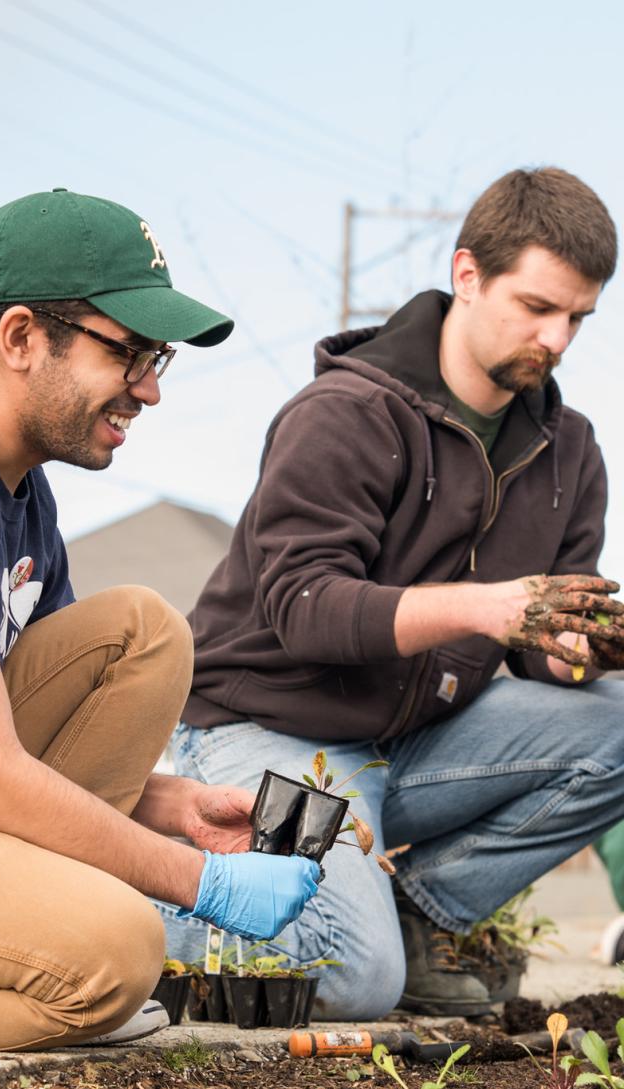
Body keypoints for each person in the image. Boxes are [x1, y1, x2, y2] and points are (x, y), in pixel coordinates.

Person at [160, 167, 624, 1020]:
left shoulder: (571, 452)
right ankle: (114, 892)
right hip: (268, 738)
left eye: (578, 318)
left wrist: (581, 647)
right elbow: (305, 609)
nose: (557, 339)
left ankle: (420, 913)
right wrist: (489, 605)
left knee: (621, 713)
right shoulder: (345, 412)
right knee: (357, 980)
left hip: (409, 743)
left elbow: (539, 653)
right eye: (536, 307)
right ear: (468, 276)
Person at [0, 188, 319, 1052]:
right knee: (114, 951)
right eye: (126, 351)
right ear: (20, 337)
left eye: (157, 357)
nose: (150, 390)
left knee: (143, 631)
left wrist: (176, 808)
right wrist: (199, 878)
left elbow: (9, 739)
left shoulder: (21, 493)